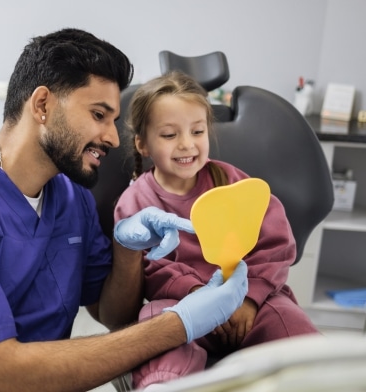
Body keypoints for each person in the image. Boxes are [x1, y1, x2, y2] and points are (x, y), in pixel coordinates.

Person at [0, 28, 249, 392]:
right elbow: (2, 375)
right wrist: (177, 324)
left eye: (114, 121)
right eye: (99, 115)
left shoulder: (70, 193)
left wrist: (128, 250)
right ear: (42, 105)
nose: (113, 138)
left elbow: (112, 314)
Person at [114, 71, 320, 390]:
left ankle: (310, 379)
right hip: (181, 308)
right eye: (169, 135)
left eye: (197, 131)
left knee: (285, 318)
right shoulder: (136, 202)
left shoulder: (235, 183)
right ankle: (164, 384)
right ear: (142, 143)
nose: (186, 144)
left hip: (247, 304)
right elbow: (149, 269)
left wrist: (249, 299)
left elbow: (273, 245)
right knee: (153, 327)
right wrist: (198, 297)